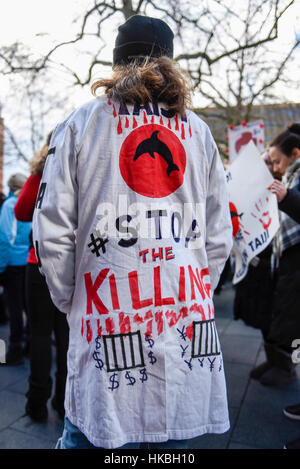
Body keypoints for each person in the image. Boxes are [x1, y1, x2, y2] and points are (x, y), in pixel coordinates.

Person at [33, 15, 233, 449]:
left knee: (95, 432)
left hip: (105, 313)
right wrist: (196, 290)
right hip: (184, 315)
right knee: (170, 437)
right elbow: (219, 235)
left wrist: (74, 299)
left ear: (117, 62)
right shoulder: (199, 133)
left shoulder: (83, 123)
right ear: (171, 62)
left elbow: (50, 230)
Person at [14, 136, 69, 422]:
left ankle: (36, 402)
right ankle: (64, 402)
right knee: (66, 338)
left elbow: (21, 211)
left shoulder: (42, 171)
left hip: (39, 264)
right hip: (70, 265)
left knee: (39, 335)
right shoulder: (81, 167)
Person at [254, 123, 300, 387]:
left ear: (294, 154)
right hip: (288, 260)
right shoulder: (291, 176)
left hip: (295, 260)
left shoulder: (293, 180)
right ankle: (278, 363)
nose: (275, 168)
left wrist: (287, 197)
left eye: (278, 161)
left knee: (291, 317)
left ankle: (284, 368)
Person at [0, 173, 31, 365]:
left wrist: (1, 265)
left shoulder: (10, 205)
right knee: (26, 306)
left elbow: (4, 238)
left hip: (12, 263)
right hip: (27, 260)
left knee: (15, 308)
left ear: (11, 186)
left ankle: (15, 349)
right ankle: (28, 345)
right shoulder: (28, 203)